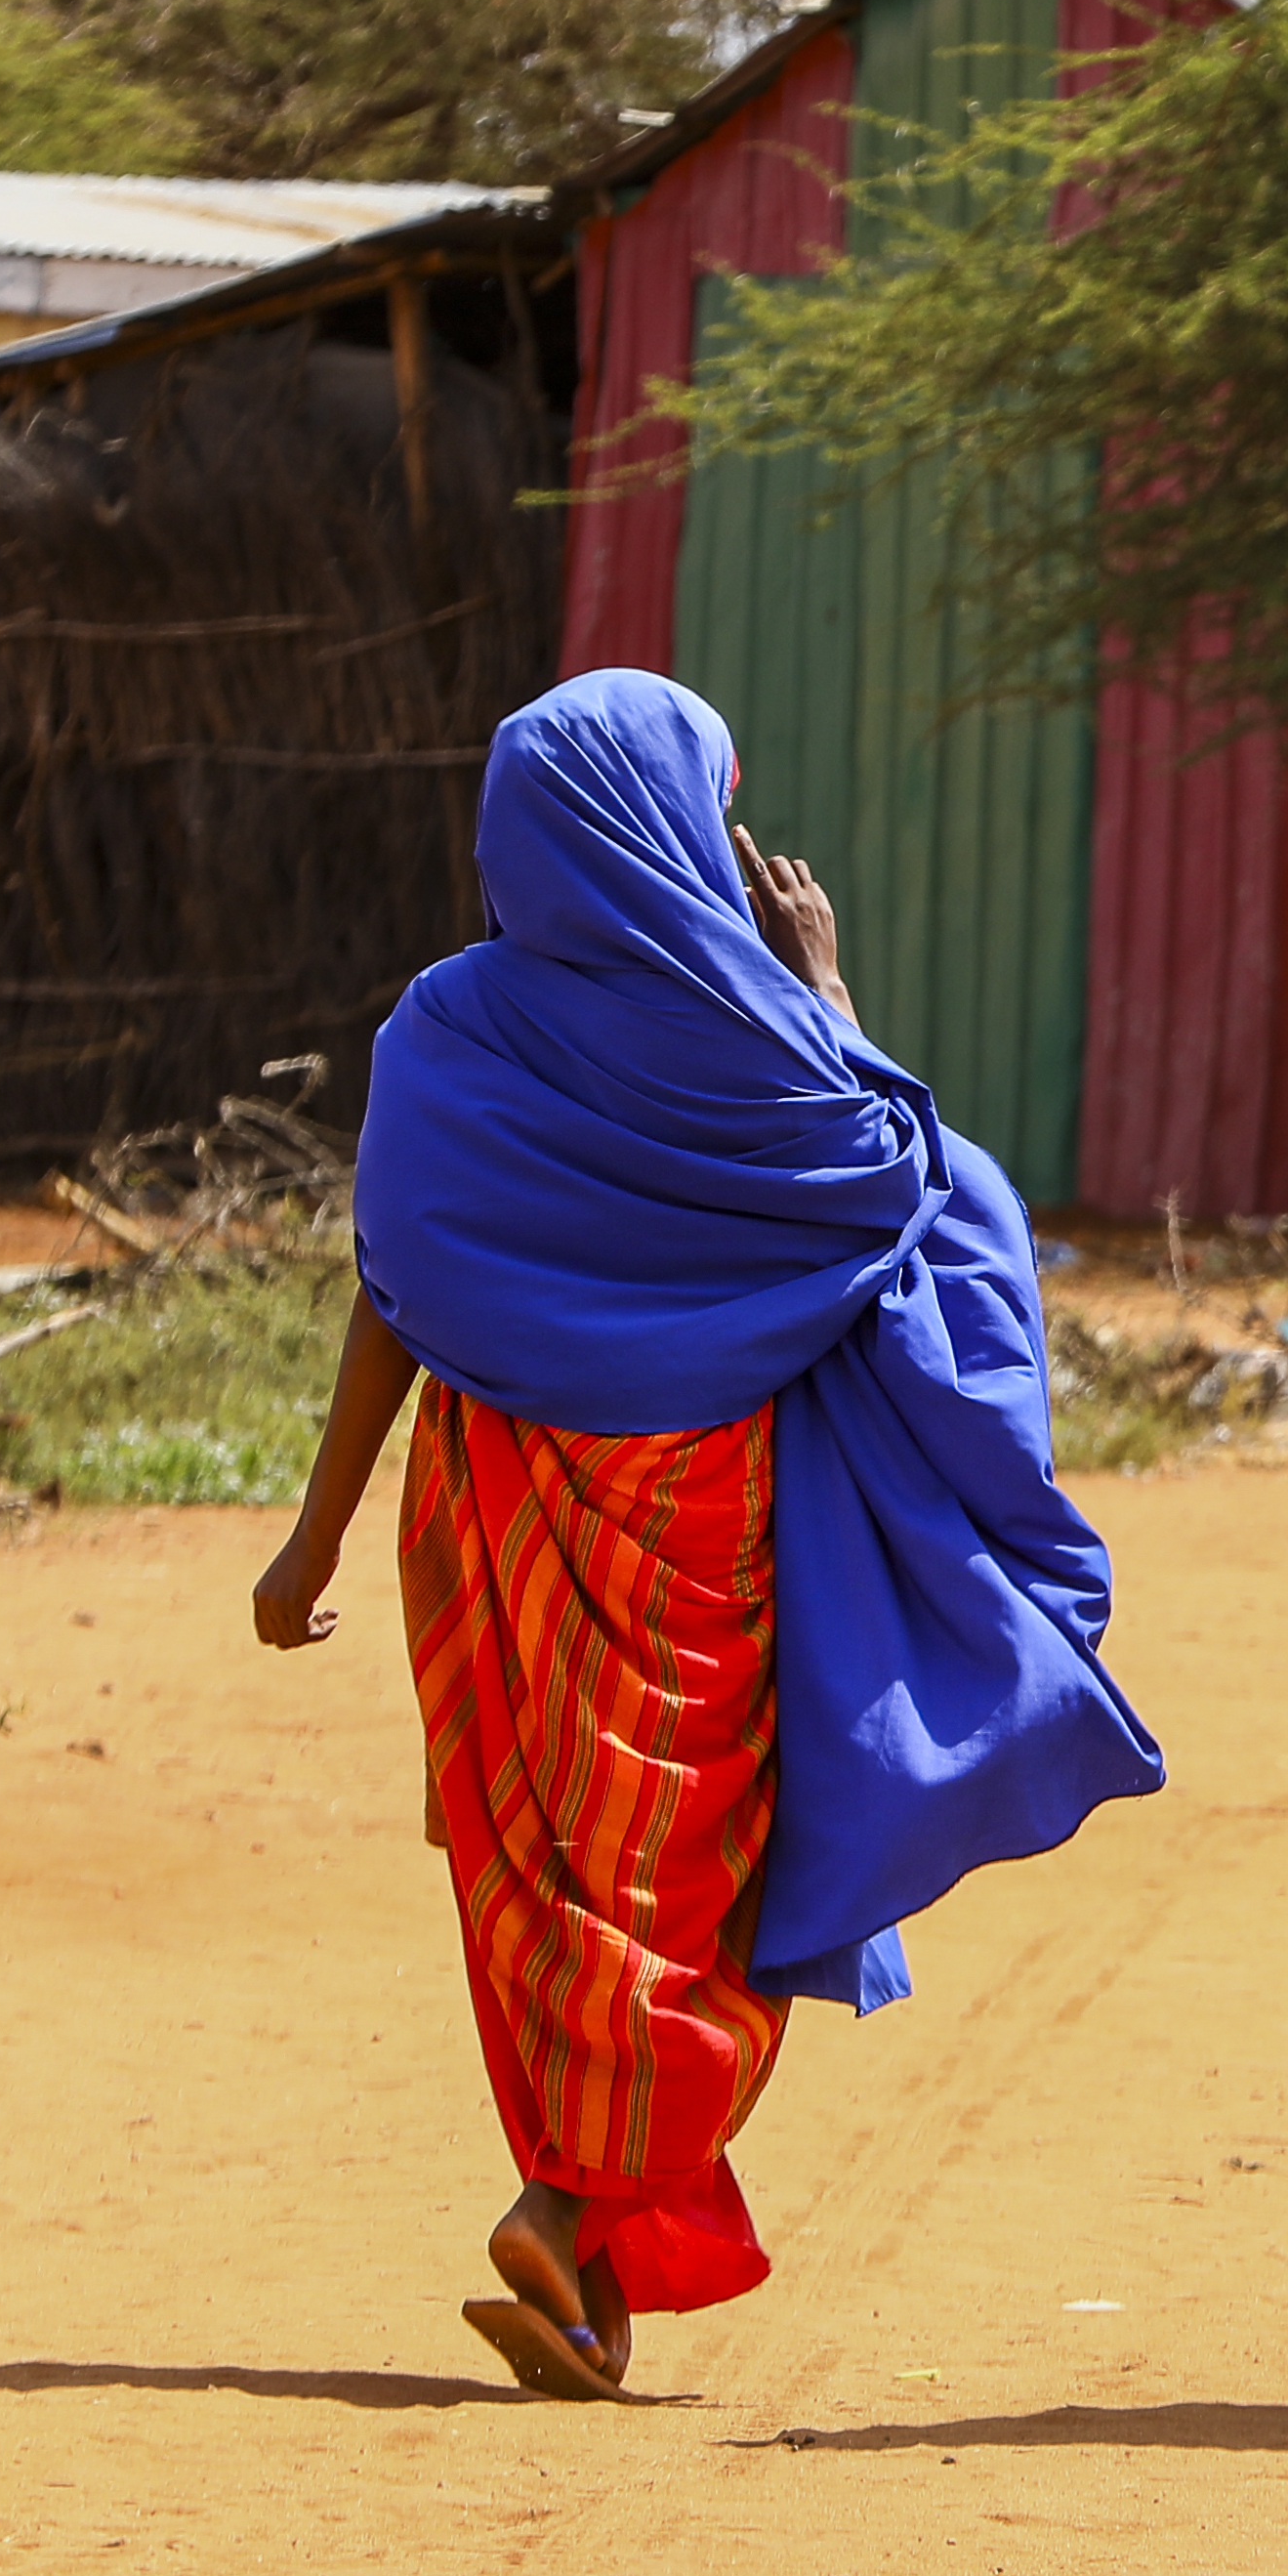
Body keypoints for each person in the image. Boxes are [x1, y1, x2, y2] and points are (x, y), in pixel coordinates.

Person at [252, 668, 1168, 2401]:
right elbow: (915, 1196)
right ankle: (561, 2202)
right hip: (703, 1524)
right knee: (706, 1890)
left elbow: (392, 1283)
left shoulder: (445, 1027)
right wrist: (828, 991)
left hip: (491, 1514)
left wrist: (313, 1537)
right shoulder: (762, 1035)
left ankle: (583, 2277)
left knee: (553, 1881)